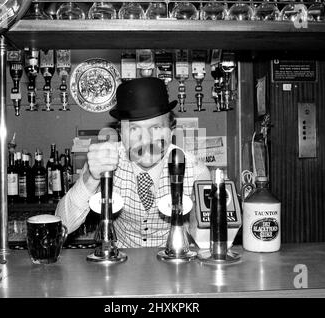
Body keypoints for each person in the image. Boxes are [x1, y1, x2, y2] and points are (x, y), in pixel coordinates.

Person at [55, 77, 211, 248]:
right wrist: (90, 179)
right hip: (120, 265)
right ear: (120, 133)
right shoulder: (105, 161)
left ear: (171, 130)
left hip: (176, 263)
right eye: (134, 129)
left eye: (156, 128)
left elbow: (207, 235)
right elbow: (62, 225)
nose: (145, 140)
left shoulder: (195, 170)